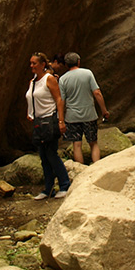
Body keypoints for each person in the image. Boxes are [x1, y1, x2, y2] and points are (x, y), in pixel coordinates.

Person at [25, 52, 70, 200]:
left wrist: (61, 121)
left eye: (34, 63)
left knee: (51, 154)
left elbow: (59, 99)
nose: (31, 66)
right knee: (43, 156)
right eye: (31, 63)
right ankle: (48, 189)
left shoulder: (49, 79)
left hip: (50, 120)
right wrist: (30, 113)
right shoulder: (33, 81)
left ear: (42, 64)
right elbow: (31, 98)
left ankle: (64, 185)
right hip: (38, 122)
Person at [59, 52, 109, 164]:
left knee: (76, 144)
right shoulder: (87, 73)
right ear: (78, 62)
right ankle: (97, 167)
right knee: (93, 143)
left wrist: (61, 119)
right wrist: (104, 111)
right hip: (89, 115)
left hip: (72, 117)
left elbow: (61, 101)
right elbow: (97, 93)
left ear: (66, 65)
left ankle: (81, 170)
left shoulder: (62, 79)